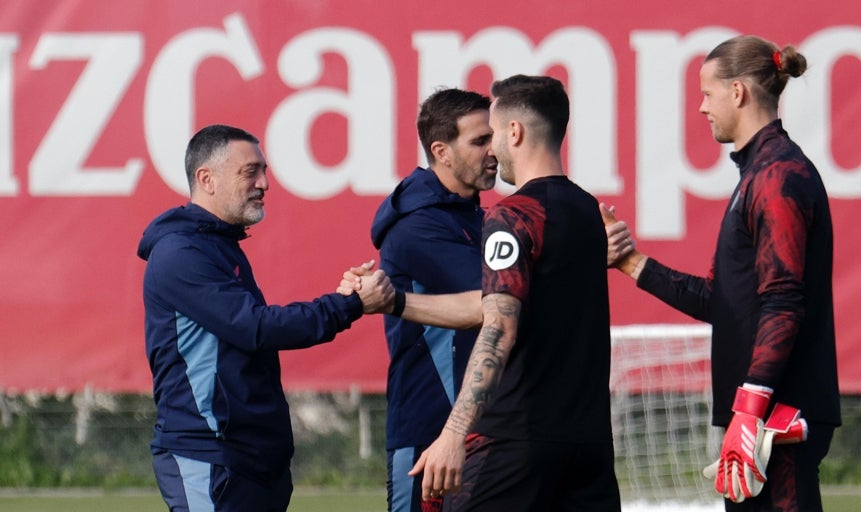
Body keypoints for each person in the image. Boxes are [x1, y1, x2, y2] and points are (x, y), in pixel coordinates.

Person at [605, 35, 840, 511]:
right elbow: (723, 302)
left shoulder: (777, 176)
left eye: (707, 93)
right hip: (759, 417)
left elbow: (783, 300)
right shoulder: (757, 173)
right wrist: (631, 263)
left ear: (738, 93)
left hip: (777, 419)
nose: (700, 108)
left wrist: (751, 409)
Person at [137, 124, 393, 512]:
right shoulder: (180, 253)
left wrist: (346, 300)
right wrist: (351, 305)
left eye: (265, 170)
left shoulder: (217, 244)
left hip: (252, 460)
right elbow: (255, 327)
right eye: (250, 171)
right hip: (209, 455)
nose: (264, 183)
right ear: (206, 179)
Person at [409, 74, 622, 511]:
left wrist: (453, 434)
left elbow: (498, 326)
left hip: (516, 445)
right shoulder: (587, 211)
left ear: (515, 132)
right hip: (590, 447)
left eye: (493, 134)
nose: (491, 149)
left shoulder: (514, 214)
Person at [369, 88, 496, 512]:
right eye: (480, 141)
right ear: (441, 151)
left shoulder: (475, 216)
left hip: (482, 428)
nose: (494, 150)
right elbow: (499, 302)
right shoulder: (417, 227)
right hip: (429, 430)